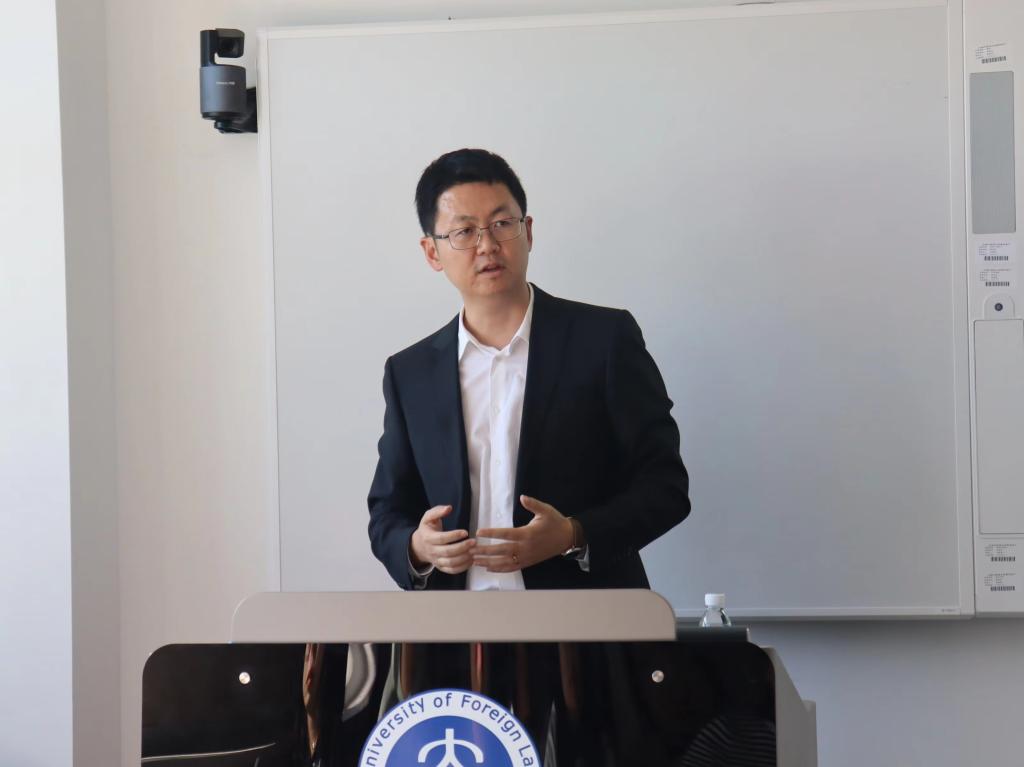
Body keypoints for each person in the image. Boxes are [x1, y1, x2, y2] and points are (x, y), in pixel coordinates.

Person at [367, 148, 690, 591]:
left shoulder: (604, 341)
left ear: (528, 231)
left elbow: (665, 485)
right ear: (432, 252)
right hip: (456, 626)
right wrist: (418, 547)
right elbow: (386, 512)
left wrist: (573, 535)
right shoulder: (410, 373)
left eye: (502, 223)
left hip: (585, 621)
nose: (487, 245)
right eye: (464, 231)